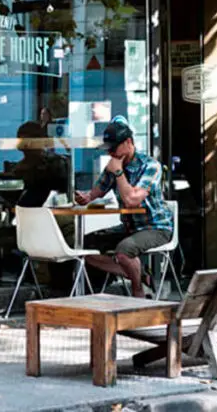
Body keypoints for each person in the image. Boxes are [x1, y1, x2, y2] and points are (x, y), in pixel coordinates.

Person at [75, 116, 173, 298]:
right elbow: (97, 191)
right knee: (84, 245)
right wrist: (85, 197)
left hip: (155, 227)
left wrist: (119, 173)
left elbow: (132, 200)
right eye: (108, 149)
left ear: (128, 142)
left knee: (124, 251)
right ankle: (141, 276)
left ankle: (138, 291)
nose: (110, 153)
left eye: (113, 148)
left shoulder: (150, 166)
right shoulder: (114, 165)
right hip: (129, 227)